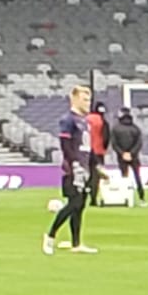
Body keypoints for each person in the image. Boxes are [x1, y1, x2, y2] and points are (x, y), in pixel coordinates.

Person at [44, 84, 96, 255]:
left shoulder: (85, 121)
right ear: (74, 99)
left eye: (89, 99)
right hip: (73, 169)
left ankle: (76, 243)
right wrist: (74, 164)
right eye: (84, 99)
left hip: (85, 167)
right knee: (74, 203)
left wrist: (94, 166)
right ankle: (50, 235)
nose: (88, 103)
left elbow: (86, 147)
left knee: (80, 206)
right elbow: (65, 145)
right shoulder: (68, 120)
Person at [110, 103, 147, 204]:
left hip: (121, 157)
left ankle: (124, 198)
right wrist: (132, 153)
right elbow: (139, 143)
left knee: (124, 178)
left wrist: (122, 153)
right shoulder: (135, 128)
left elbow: (114, 144)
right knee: (137, 177)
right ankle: (142, 198)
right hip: (134, 157)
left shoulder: (115, 128)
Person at [86, 97, 112, 206]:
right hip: (98, 151)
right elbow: (106, 137)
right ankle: (93, 198)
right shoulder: (103, 121)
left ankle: (82, 194)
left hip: (85, 151)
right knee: (95, 176)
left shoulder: (86, 119)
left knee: (84, 174)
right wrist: (104, 148)